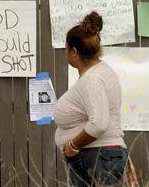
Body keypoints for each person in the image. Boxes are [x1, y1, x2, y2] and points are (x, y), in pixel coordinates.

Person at [53, 11, 127, 187]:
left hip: (96, 157)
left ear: (74, 51)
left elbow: (99, 123)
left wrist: (72, 145)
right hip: (99, 156)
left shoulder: (92, 79)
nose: (65, 53)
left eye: (66, 48)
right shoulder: (99, 72)